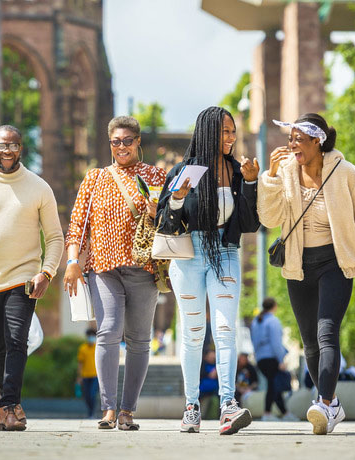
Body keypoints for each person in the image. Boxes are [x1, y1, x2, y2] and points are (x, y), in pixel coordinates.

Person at [257, 113, 355, 435]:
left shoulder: (347, 174)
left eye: (298, 139)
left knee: (327, 330)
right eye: (290, 139)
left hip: (335, 262)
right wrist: (271, 176)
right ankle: (331, 405)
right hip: (297, 265)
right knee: (310, 343)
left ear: (317, 141)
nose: (291, 145)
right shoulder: (286, 172)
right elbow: (269, 217)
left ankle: (325, 401)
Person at [156, 106, 260, 435]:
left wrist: (252, 183)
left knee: (226, 328)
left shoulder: (238, 170)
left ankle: (228, 404)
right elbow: (164, 221)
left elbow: (249, 223)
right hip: (189, 254)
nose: (230, 138)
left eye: (232, 131)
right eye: (224, 132)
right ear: (208, 133)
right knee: (193, 332)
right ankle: (191, 407)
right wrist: (177, 199)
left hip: (227, 251)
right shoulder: (182, 172)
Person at [0, 125, 64, 432]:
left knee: (17, 341)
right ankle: (11, 406)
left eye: (14, 145)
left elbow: (55, 237)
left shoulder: (39, 186)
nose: (7, 151)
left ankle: (7, 407)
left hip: (25, 277)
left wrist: (47, 271)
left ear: (21, 149)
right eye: (1, 146)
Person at [63, 115, 166, 431]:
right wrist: (71, 262)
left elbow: (174, 220)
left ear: (137, 143)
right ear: (110, 144)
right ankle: (108, 408)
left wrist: (157, 210)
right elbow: (77, 225)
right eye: (115, 141)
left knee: (138, 340)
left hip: (144, 268)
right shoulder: (94, 179)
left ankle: (127, 411)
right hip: (103, 268)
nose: (121, 147)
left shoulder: (155, 175)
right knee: (108, 331)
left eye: (127, 141)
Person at [250, 297, 290, 420]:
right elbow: (276, 343)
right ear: (274, 306)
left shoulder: (256, 321)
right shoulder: (273, 321)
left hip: (260, 358)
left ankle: (285, 413)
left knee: (273, 384)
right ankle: (267, 413)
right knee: (273, 385)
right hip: (272, 357)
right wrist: (281, 360)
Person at [76, 328, 99, 418]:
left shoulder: (98, 347)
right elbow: (80, 363)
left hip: (95, 376)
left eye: (92, 336)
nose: (91, 338)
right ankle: (90, 412)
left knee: (92, 394)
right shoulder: (83, 348)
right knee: (87, 396)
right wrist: (79, 377)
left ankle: (92, 413)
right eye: (89, 336)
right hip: (85, 376)